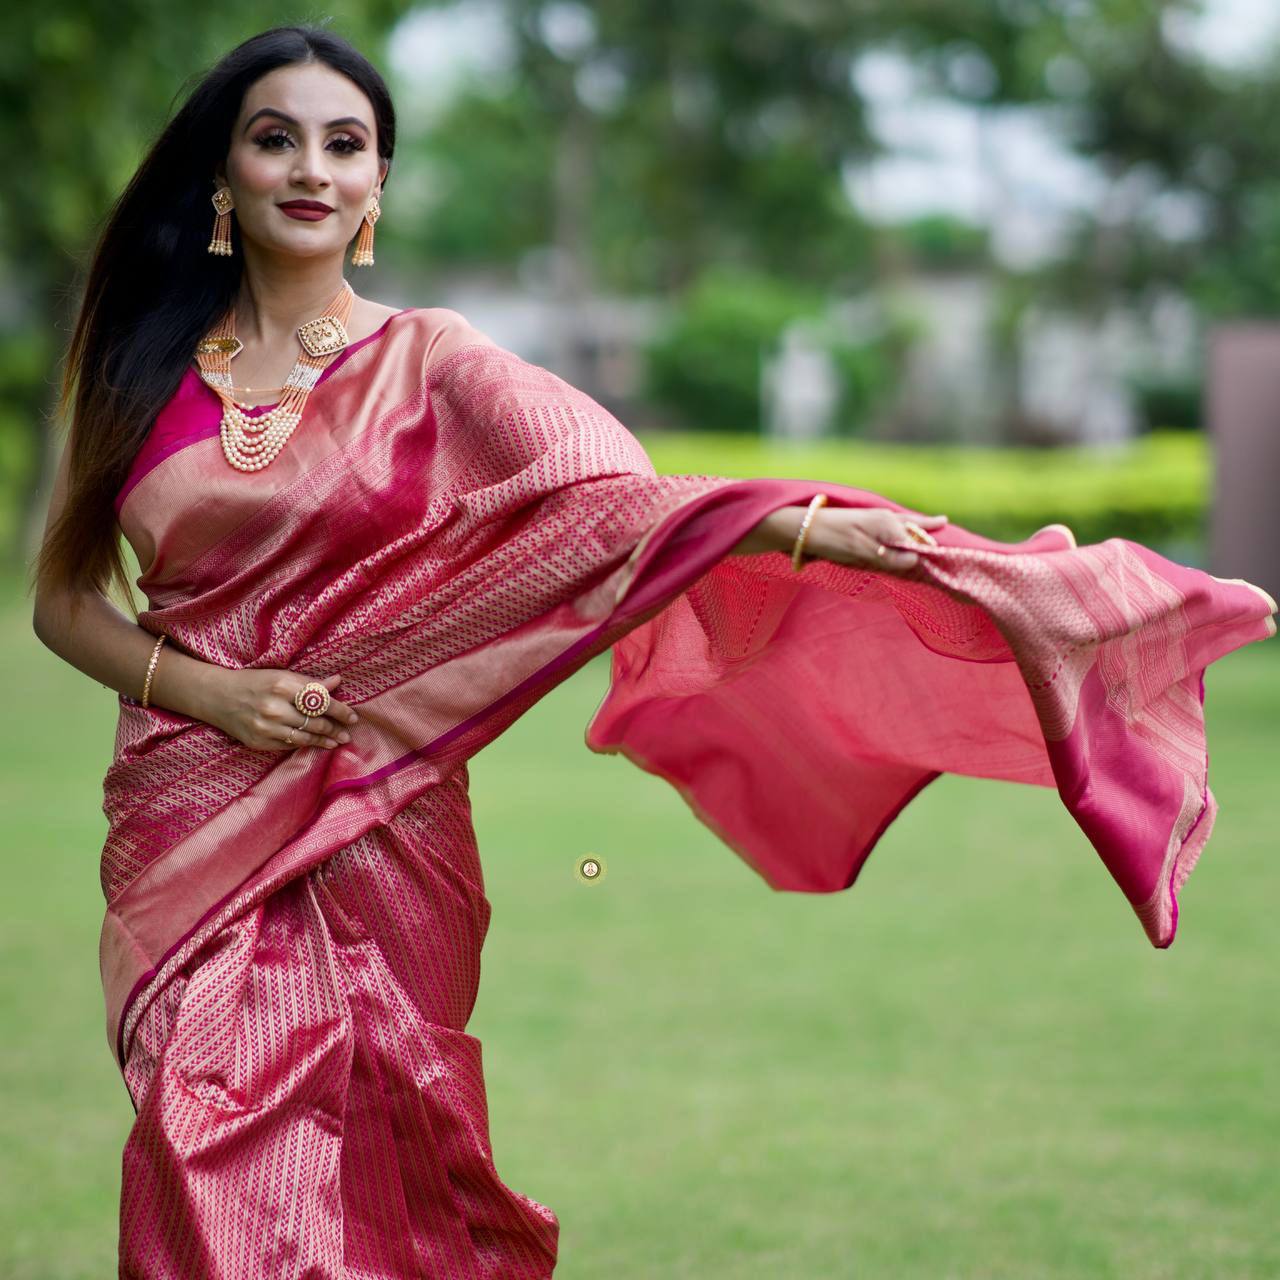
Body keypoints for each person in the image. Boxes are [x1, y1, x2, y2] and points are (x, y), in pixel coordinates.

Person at [27, 24, 1275, 1280]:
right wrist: (216, 695)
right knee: (201, 1140)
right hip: (188, 822)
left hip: (376, 823)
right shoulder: (143, 366)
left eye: (344, 144)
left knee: (379, 1157)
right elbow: (66, 601)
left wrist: (812, 528)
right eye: (274, 138)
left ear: (377, 190)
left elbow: (608, 493)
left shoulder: (432, 359)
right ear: (222, 179)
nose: (311, 166)